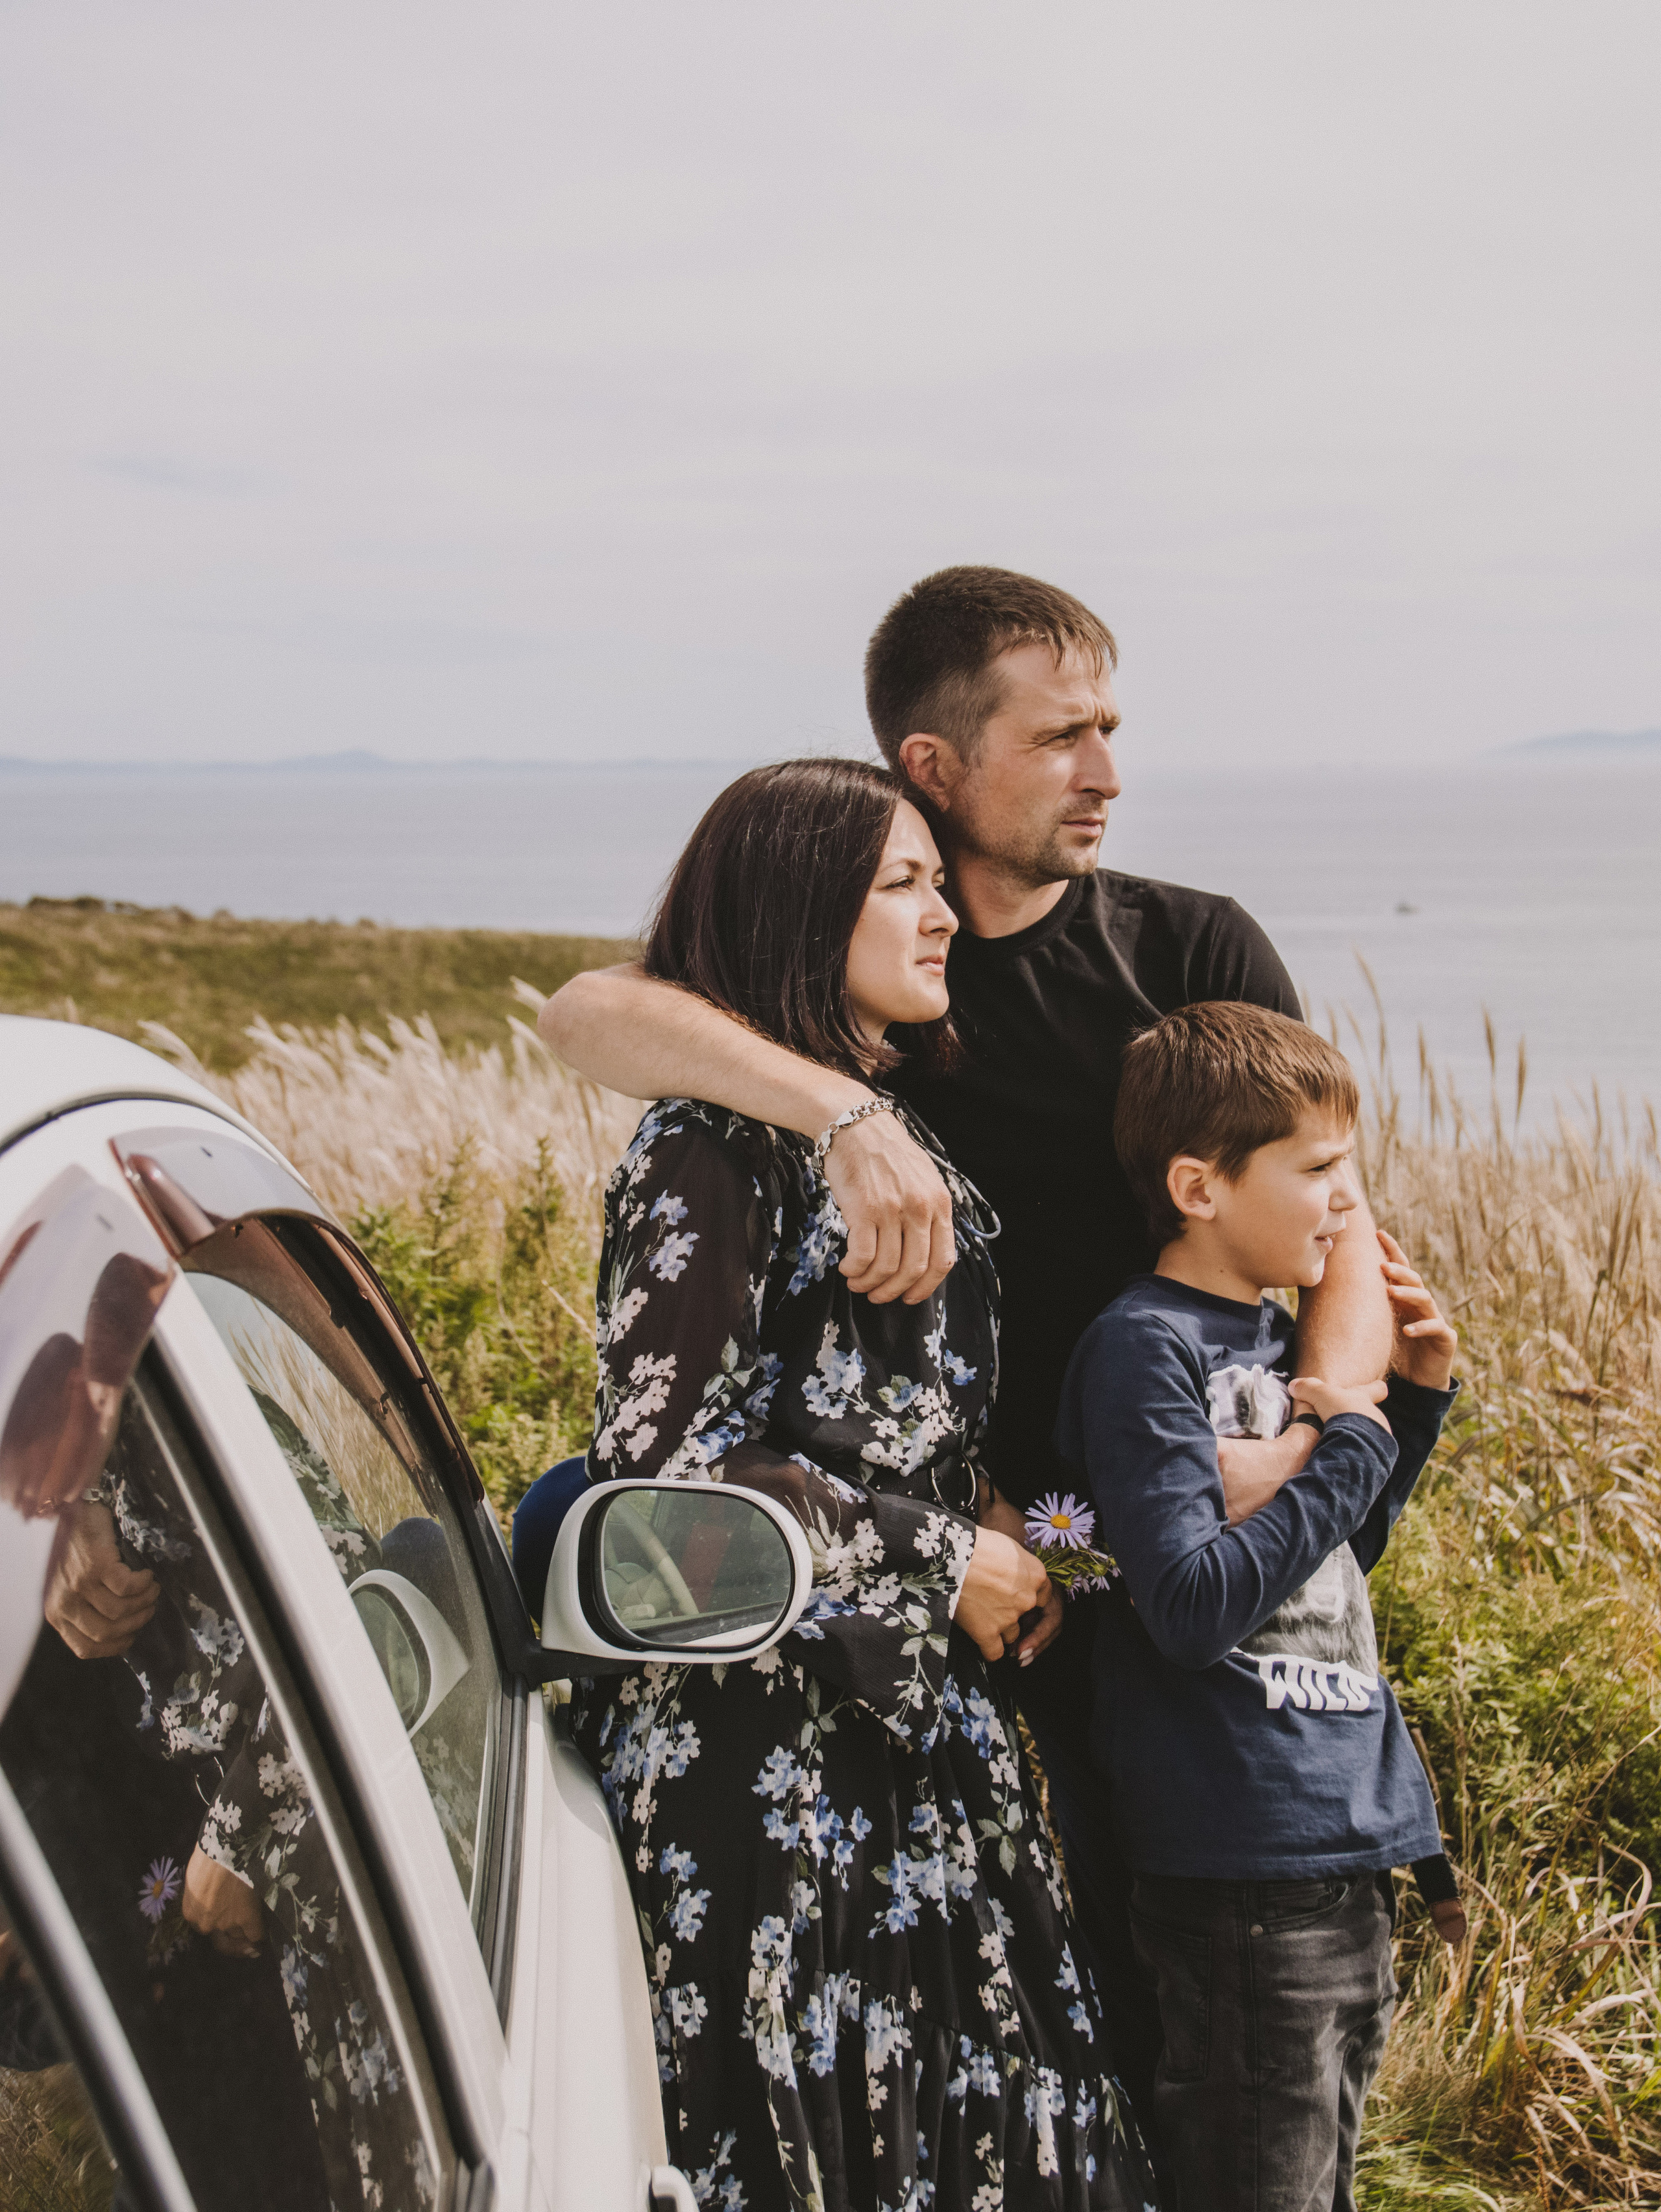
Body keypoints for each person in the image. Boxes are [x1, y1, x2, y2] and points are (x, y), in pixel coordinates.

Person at [539, 565, 1395, 2122]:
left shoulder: (1191, 949)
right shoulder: (867, 1005)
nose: (1107, 773)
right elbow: (583, 1014)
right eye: (1063, 736)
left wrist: (1325, 1423)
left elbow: (1342, 1214)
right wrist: (851, 1114)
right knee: (1037, 1994)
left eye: (1110, 729)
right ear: (933, 768)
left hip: (1160, 1537)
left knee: (1227, 1965)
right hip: (994, 1570)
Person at [565, 757, 1158, 2211]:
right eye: (901, 882)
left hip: (901, 1741)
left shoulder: (879, 1134)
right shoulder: (707, 1150)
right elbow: (659, 1494)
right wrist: (934, 1554)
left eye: (933, 878)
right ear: (794, 906)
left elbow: (883, 1431)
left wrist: (1012, 1531)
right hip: (762, 1765)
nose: (943, 910)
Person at [1053, 1003, 1459, 2212]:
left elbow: (1323, 1572)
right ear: (1201, 1186)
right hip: (1238, 1858)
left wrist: (1409, 1413)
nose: (1349, 1199)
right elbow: (1186, 1606)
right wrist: (1344, 1437)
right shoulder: (1145, 1348)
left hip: (1342, 1846)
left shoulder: (1284, 1347)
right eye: (1320, 1168)